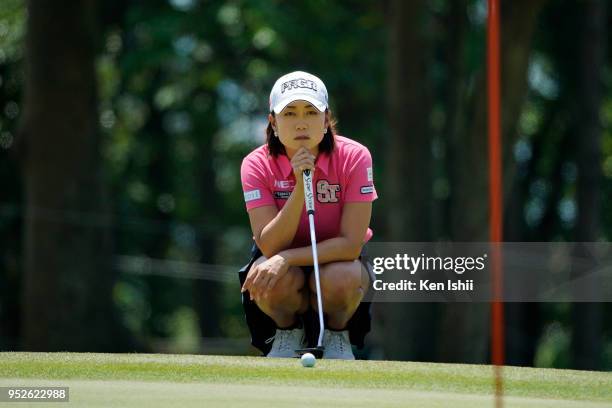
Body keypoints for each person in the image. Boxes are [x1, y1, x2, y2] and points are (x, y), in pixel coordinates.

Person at [239, 71, 377, 359]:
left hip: (336, 263)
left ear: (326, 119)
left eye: (310, 112)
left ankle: (337, 335)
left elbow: (351, 245)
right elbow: (270, 246)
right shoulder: (255, 164)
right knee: (270, 277)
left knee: (341, 277)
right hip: (282, 269)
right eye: (289, 113)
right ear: (273, 123)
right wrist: (302, 184)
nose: (301, 122)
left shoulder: (355, 156)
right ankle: (287, 332)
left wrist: (286, 258)